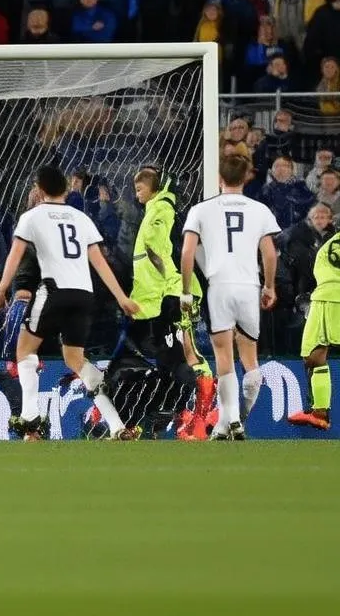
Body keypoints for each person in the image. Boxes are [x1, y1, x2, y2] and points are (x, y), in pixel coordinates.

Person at [0, 165, 141, 441]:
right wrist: (121, 297)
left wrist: (1, 289)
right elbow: (99, 261)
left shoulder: (31, 216)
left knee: (24, 350)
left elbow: (15, 255)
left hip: (54, 289)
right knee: (75, 359)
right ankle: (117, 424)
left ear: (40, 188)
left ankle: (30, 415)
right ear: (65, 188)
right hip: (84, 295)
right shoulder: (80, 218)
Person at [180, 156, 281, 440]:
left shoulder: (201, 209)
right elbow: (270, 253)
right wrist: (269, 286)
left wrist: (186, 291)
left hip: (219, 286)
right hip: (249, 286)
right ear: (247, 177)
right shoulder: (259, 210)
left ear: (219, 178)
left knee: (223, 357)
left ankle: (231, 420)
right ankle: (233, 421)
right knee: (250, 358)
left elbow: (188, 253)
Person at [129, 167, 214, 440]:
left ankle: (201, 418)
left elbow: (157, 249)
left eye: (140, 188)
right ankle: (182, 416)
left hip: (176, 291)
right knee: (172, 355)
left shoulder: (161, 209)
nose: (136, 193)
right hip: (168, 293)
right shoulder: (159, 208)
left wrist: (172, 283)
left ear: (153, 188)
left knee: (187, 352)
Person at [287, 229, 340, 430]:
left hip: (333, 298)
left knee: (314, 355)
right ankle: (320, 413)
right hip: (323, 297)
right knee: (312, 356)